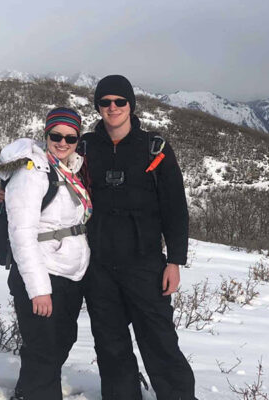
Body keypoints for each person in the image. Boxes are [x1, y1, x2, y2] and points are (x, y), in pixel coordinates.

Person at [81, 75, 195, 399]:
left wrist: (175, 261)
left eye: (120, 101)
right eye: (105, 102)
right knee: (110, 344)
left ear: (131, 105)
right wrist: (9, 191)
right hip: (100, 265)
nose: (113, 107)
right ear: (98, 107)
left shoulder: (154, 147)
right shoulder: (86, 147)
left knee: (159, 342)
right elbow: (52, 177)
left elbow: (175, 207)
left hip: (145, 264)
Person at [0, 107, 92, 400]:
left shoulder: (71, 170)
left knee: (60, 341)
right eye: (56, 135)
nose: (62, 142)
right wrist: (39, 291)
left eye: (70, 137)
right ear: (46, 134)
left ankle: (26, 392)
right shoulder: (32, 171)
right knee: (44, 348)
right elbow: (22, 235)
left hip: (68, 273)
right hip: (41, 274)